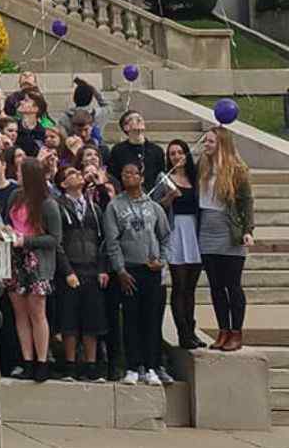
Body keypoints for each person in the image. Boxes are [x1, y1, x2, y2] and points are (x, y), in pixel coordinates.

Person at [103, 158, 171, 386]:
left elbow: (165, 236)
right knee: (130, 319)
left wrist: (162, 260)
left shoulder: (154, 207)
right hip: (129, 271)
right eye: (124, 173)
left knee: (151, 319)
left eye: (133, 173)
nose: (128, 177)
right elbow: (112, 241)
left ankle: (152, 366)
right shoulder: (114, 206)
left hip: (151, 270)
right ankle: (133, 366)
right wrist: (120, 270)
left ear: (141, 178)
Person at [197, 127, 255, 351]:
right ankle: (222, 330)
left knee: (232, 285)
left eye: (210, 141)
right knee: (216, 286)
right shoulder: (203, 166)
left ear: (221, 143)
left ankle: (236, 332)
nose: (207, 145)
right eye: (206, 142)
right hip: (207, 230)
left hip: (229, 230)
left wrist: (248, 229)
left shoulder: (237, 170)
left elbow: (247, 202)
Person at [6, 159, 61, 381]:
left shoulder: (48, 203)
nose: (17, 174)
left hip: (36, 261)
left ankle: (42, 361)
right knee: (20, 313)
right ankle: (27, 360)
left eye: (20, 171)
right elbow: (8, 220)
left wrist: (26, 241)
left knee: (37, 312)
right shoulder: (15, 197)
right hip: (15, 260)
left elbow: (55, 239)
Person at [53, 161, 107, 381]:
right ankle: (70, 365)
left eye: (77, 172)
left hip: (92, 269)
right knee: (69, 320)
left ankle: (92, 366)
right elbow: (58, 242)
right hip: (71, 268)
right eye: (71, 174)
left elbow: (103, 240)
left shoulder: (94, 207)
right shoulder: (58, 205)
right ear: (64, 184)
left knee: (92, 320)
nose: (77, 175)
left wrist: (103, 269)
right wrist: (67, 271)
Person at [156, 139, 204, 349]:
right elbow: (156, 207)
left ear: (186, 155)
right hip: (176, 231)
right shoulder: (164, 178)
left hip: (194, 232)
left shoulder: (196, 179)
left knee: (191, 288)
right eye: (172, 153)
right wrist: (169, 197)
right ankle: (183, 332)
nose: (176, 156)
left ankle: (192, 331)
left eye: (179, 152)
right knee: (180, 285)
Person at [107, 110, 165, 191]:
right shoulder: (118, 150)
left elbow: (160, 177)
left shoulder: (157, 150)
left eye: (140, 118)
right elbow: (114, 177)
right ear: (126, 127)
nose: (139, 119)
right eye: (133, 119)